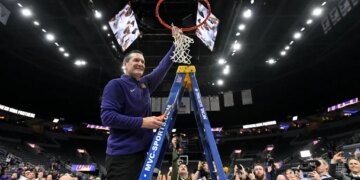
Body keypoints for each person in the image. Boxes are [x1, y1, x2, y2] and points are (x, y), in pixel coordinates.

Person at [101, 26, 182, 180]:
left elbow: (162, 67)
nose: (140, 63)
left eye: (143, 62)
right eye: (136, 60)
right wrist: (142, 122)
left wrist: (176, 43)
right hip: (122, 157)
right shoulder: (116, 84)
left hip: (143, 154)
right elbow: (107, 118)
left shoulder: (144, 84)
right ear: (125, 65)